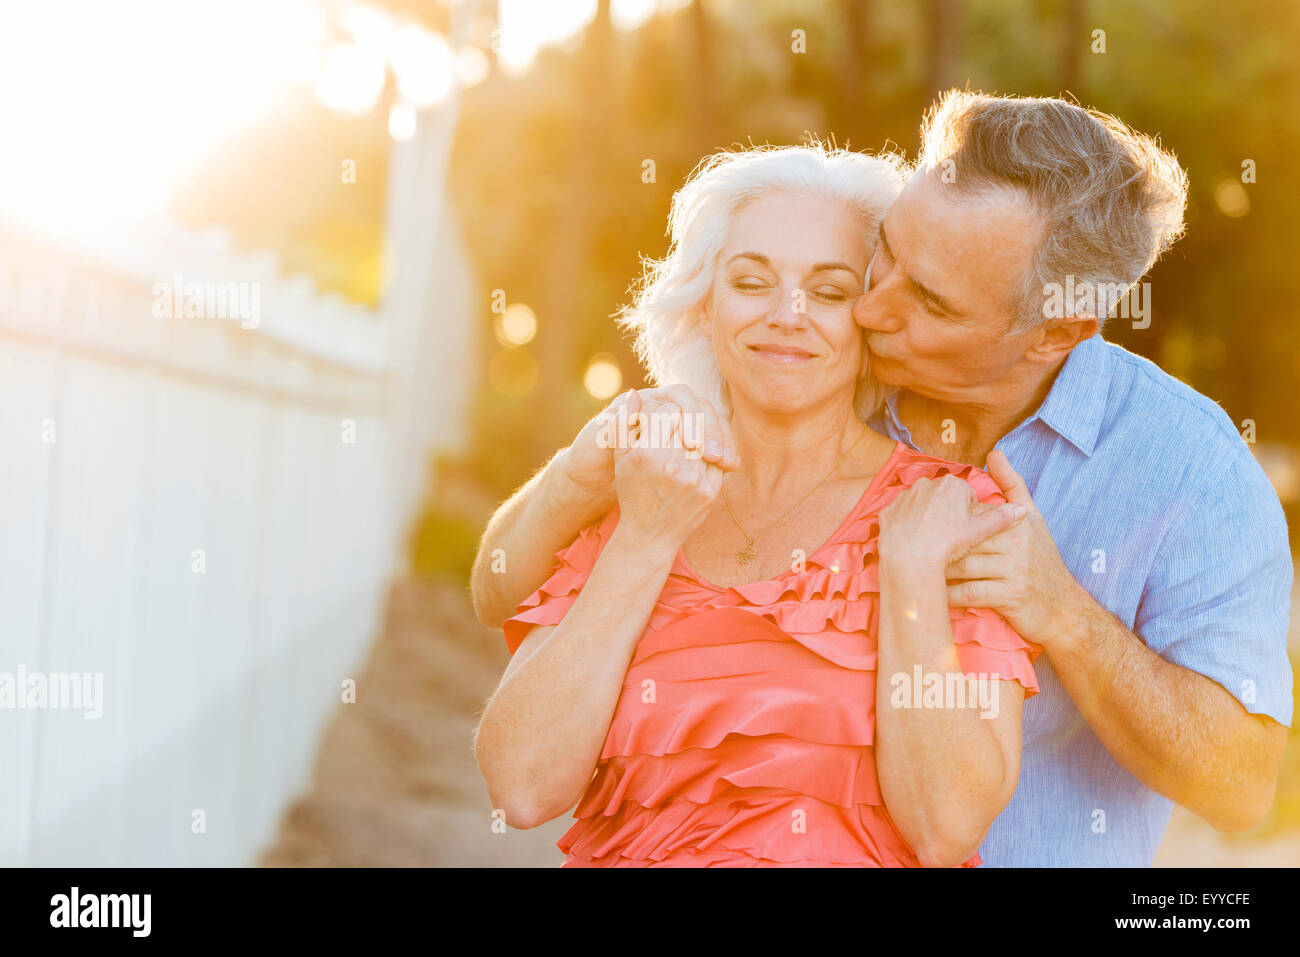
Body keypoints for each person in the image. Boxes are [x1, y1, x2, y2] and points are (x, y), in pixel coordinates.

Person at [472, 92, 1294, 867]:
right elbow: (499, 601)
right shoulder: (789, 392)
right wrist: (581, 479)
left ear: (1054, 333)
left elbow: (1241, 788)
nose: (867, 309)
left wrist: (1062, 612)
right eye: (885, 257)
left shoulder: (1188, 467)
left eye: (928, 301)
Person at [473, 144, 1040, 866]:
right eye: (751, 281)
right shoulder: (649, 485)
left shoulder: (945, 512)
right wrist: (646, 538)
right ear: (705, 304)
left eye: (830, 291)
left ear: (871, 323)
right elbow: (521, 786)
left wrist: (910, 581)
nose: (787, 315)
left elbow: (946, 827)